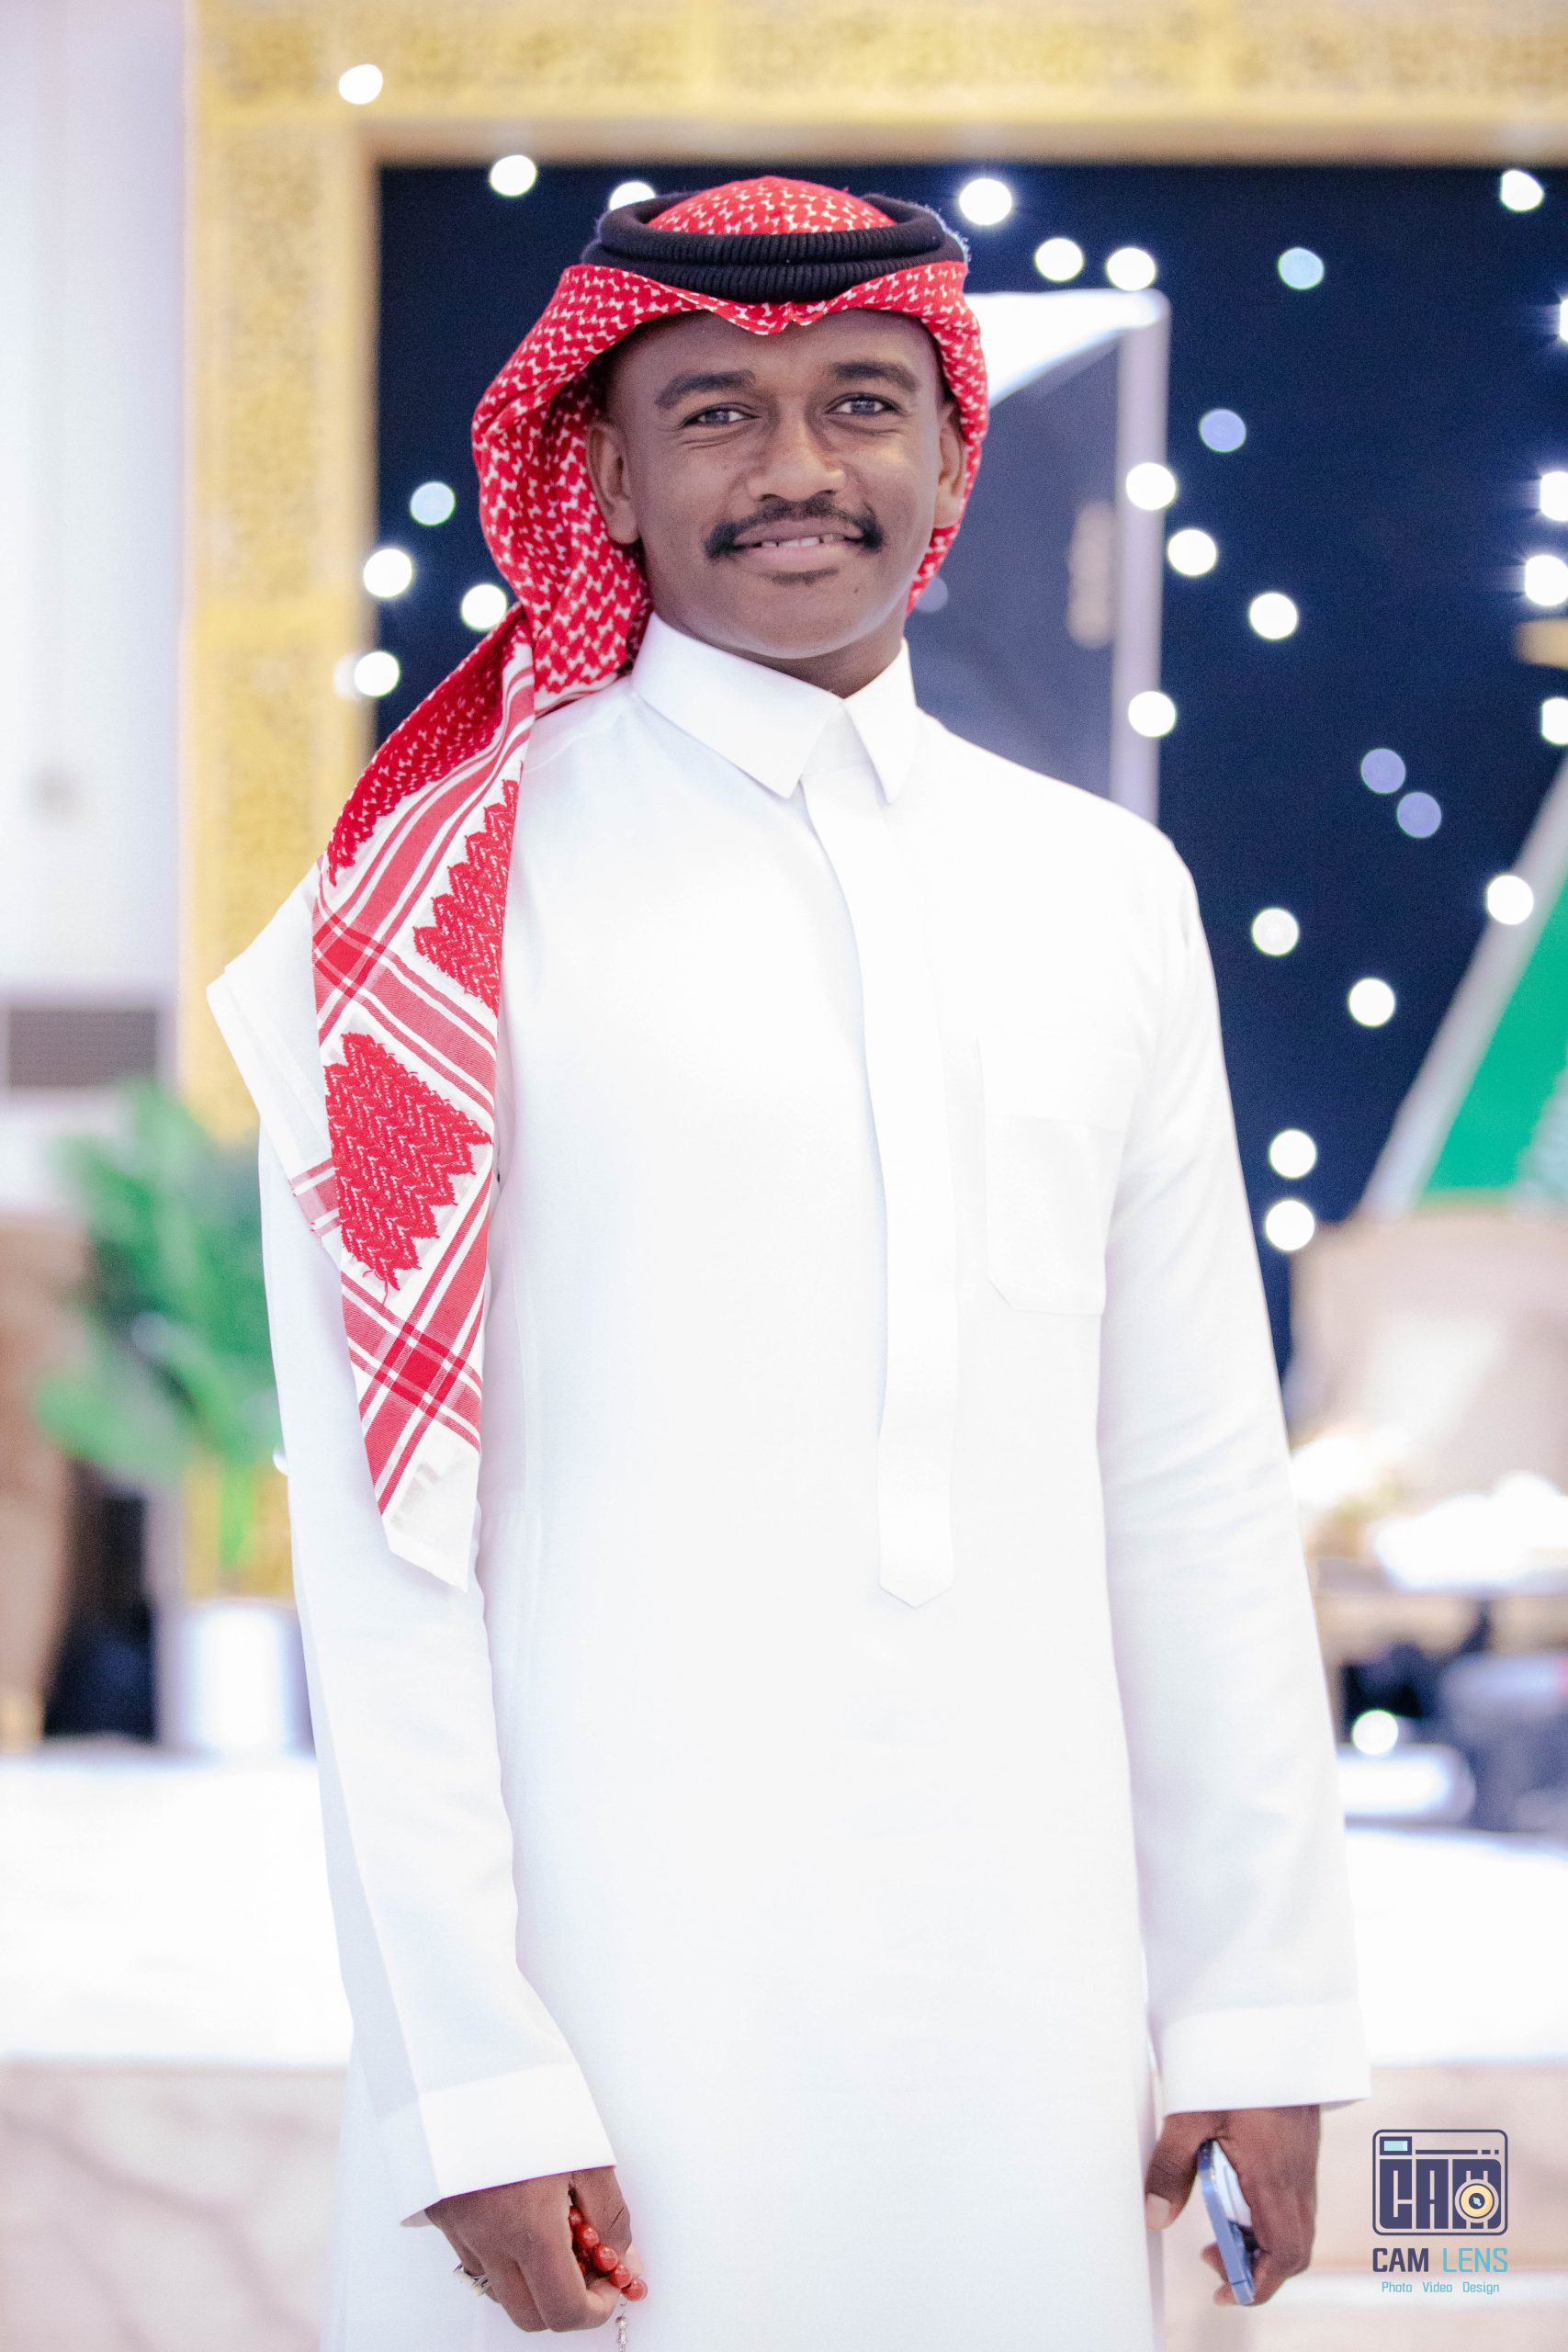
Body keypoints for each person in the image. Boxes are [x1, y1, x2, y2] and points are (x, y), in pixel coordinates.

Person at [209, 177, 1370, 2351]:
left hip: (1029, 1993)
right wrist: (467, 2074)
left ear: (949, 459)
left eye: (858, 401)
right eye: (716, 412)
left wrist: (1255, 2003)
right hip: (609, 1993)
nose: (796, 467)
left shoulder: (1102, 894)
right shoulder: (426, 914)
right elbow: (381, 1555)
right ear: (603, 478)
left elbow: (1192, 1484)